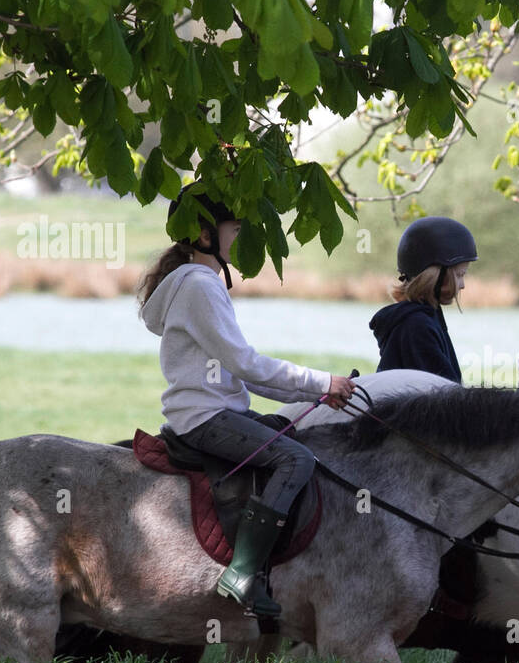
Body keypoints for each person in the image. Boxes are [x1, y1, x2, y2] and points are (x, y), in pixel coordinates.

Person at [138, 188, 355, 619]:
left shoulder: (193, 284)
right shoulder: (199, 286)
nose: (239, 240)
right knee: (295, 460)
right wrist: (321, 382)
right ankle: (241, 572)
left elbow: (241, 371)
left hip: (211, 411)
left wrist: (318, 392)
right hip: (205, 419)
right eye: (234, 230)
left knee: (287, 436)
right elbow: (246, 363)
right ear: (204, 236)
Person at [369, 216, 475, 381]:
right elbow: (441, 396)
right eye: (460, 275)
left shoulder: (427, 316)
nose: (462, 285)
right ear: (433, 275)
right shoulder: (416, 326)